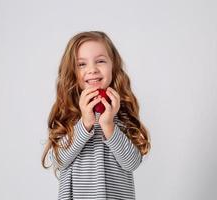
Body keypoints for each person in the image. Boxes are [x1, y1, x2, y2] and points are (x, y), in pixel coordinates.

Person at [41, 31, 151, 200]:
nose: (92, 69)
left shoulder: (121, 114)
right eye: (81, 64)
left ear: (113, 66)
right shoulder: (68, 115)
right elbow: (58, 161)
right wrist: (85, 123)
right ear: (72, 72)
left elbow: (131, 163)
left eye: (100, 61)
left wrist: (109, 125)